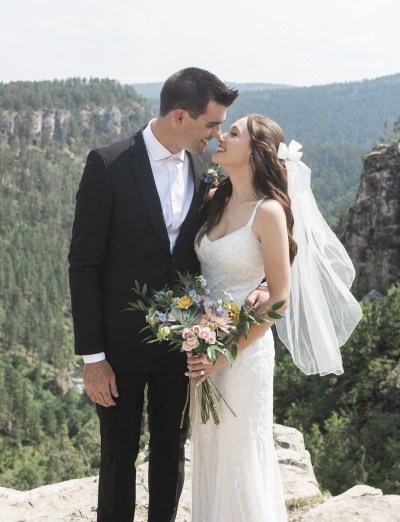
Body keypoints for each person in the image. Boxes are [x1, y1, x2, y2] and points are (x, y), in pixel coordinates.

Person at [68, 68, 270, 522]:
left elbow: (250, 228)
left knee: (171, 451)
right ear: (181, 116)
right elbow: (83, 265)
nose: (218, 136)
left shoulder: (206, 169)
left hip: (184, 346)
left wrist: (261, 283)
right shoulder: (108, 164)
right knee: (117, 458)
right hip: (117, 350)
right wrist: (93, 357)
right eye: (212, 124)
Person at [187, 114, 362, 521]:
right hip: (203, 345)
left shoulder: (268, 212)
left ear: (256, 152)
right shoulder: (213, 199)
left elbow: (280, 298)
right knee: (208, 447)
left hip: (242, 353)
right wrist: (196, 335)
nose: (221, 136)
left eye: (233, 133)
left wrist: (225, 353)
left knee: (240, 452)